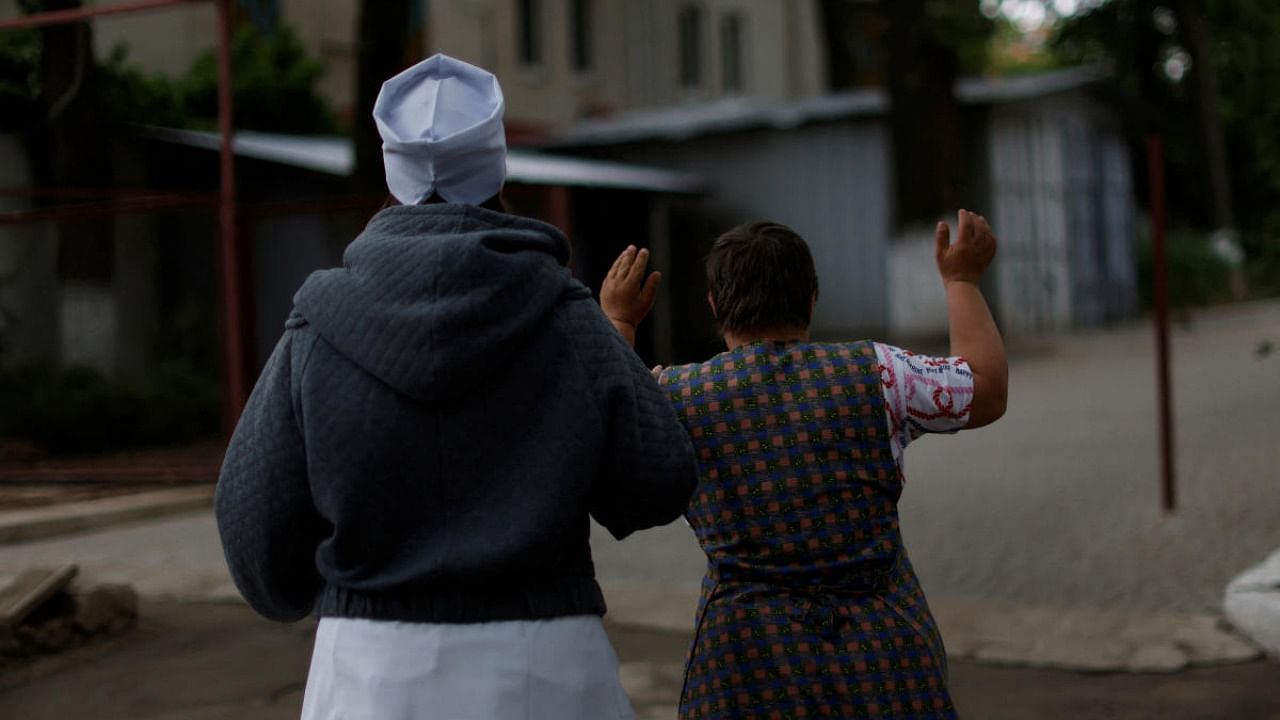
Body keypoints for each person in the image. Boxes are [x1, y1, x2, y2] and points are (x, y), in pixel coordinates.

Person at [215, 54, 697, 720]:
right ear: (497, 165)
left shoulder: (316, 328)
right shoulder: (567, 314)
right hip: (545, 669)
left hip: (366, 675)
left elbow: (254, 535)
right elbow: (658, 479)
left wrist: (321, 586)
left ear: (393, 169)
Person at [601, 212, 1007, 719]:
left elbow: (607, 439)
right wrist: (962, 280)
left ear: (713, 306)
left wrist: (619, 322)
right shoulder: (881, 372)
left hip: (742, 666)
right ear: (812, 297)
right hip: (883, 659)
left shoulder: (674, 397)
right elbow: (985, 389)